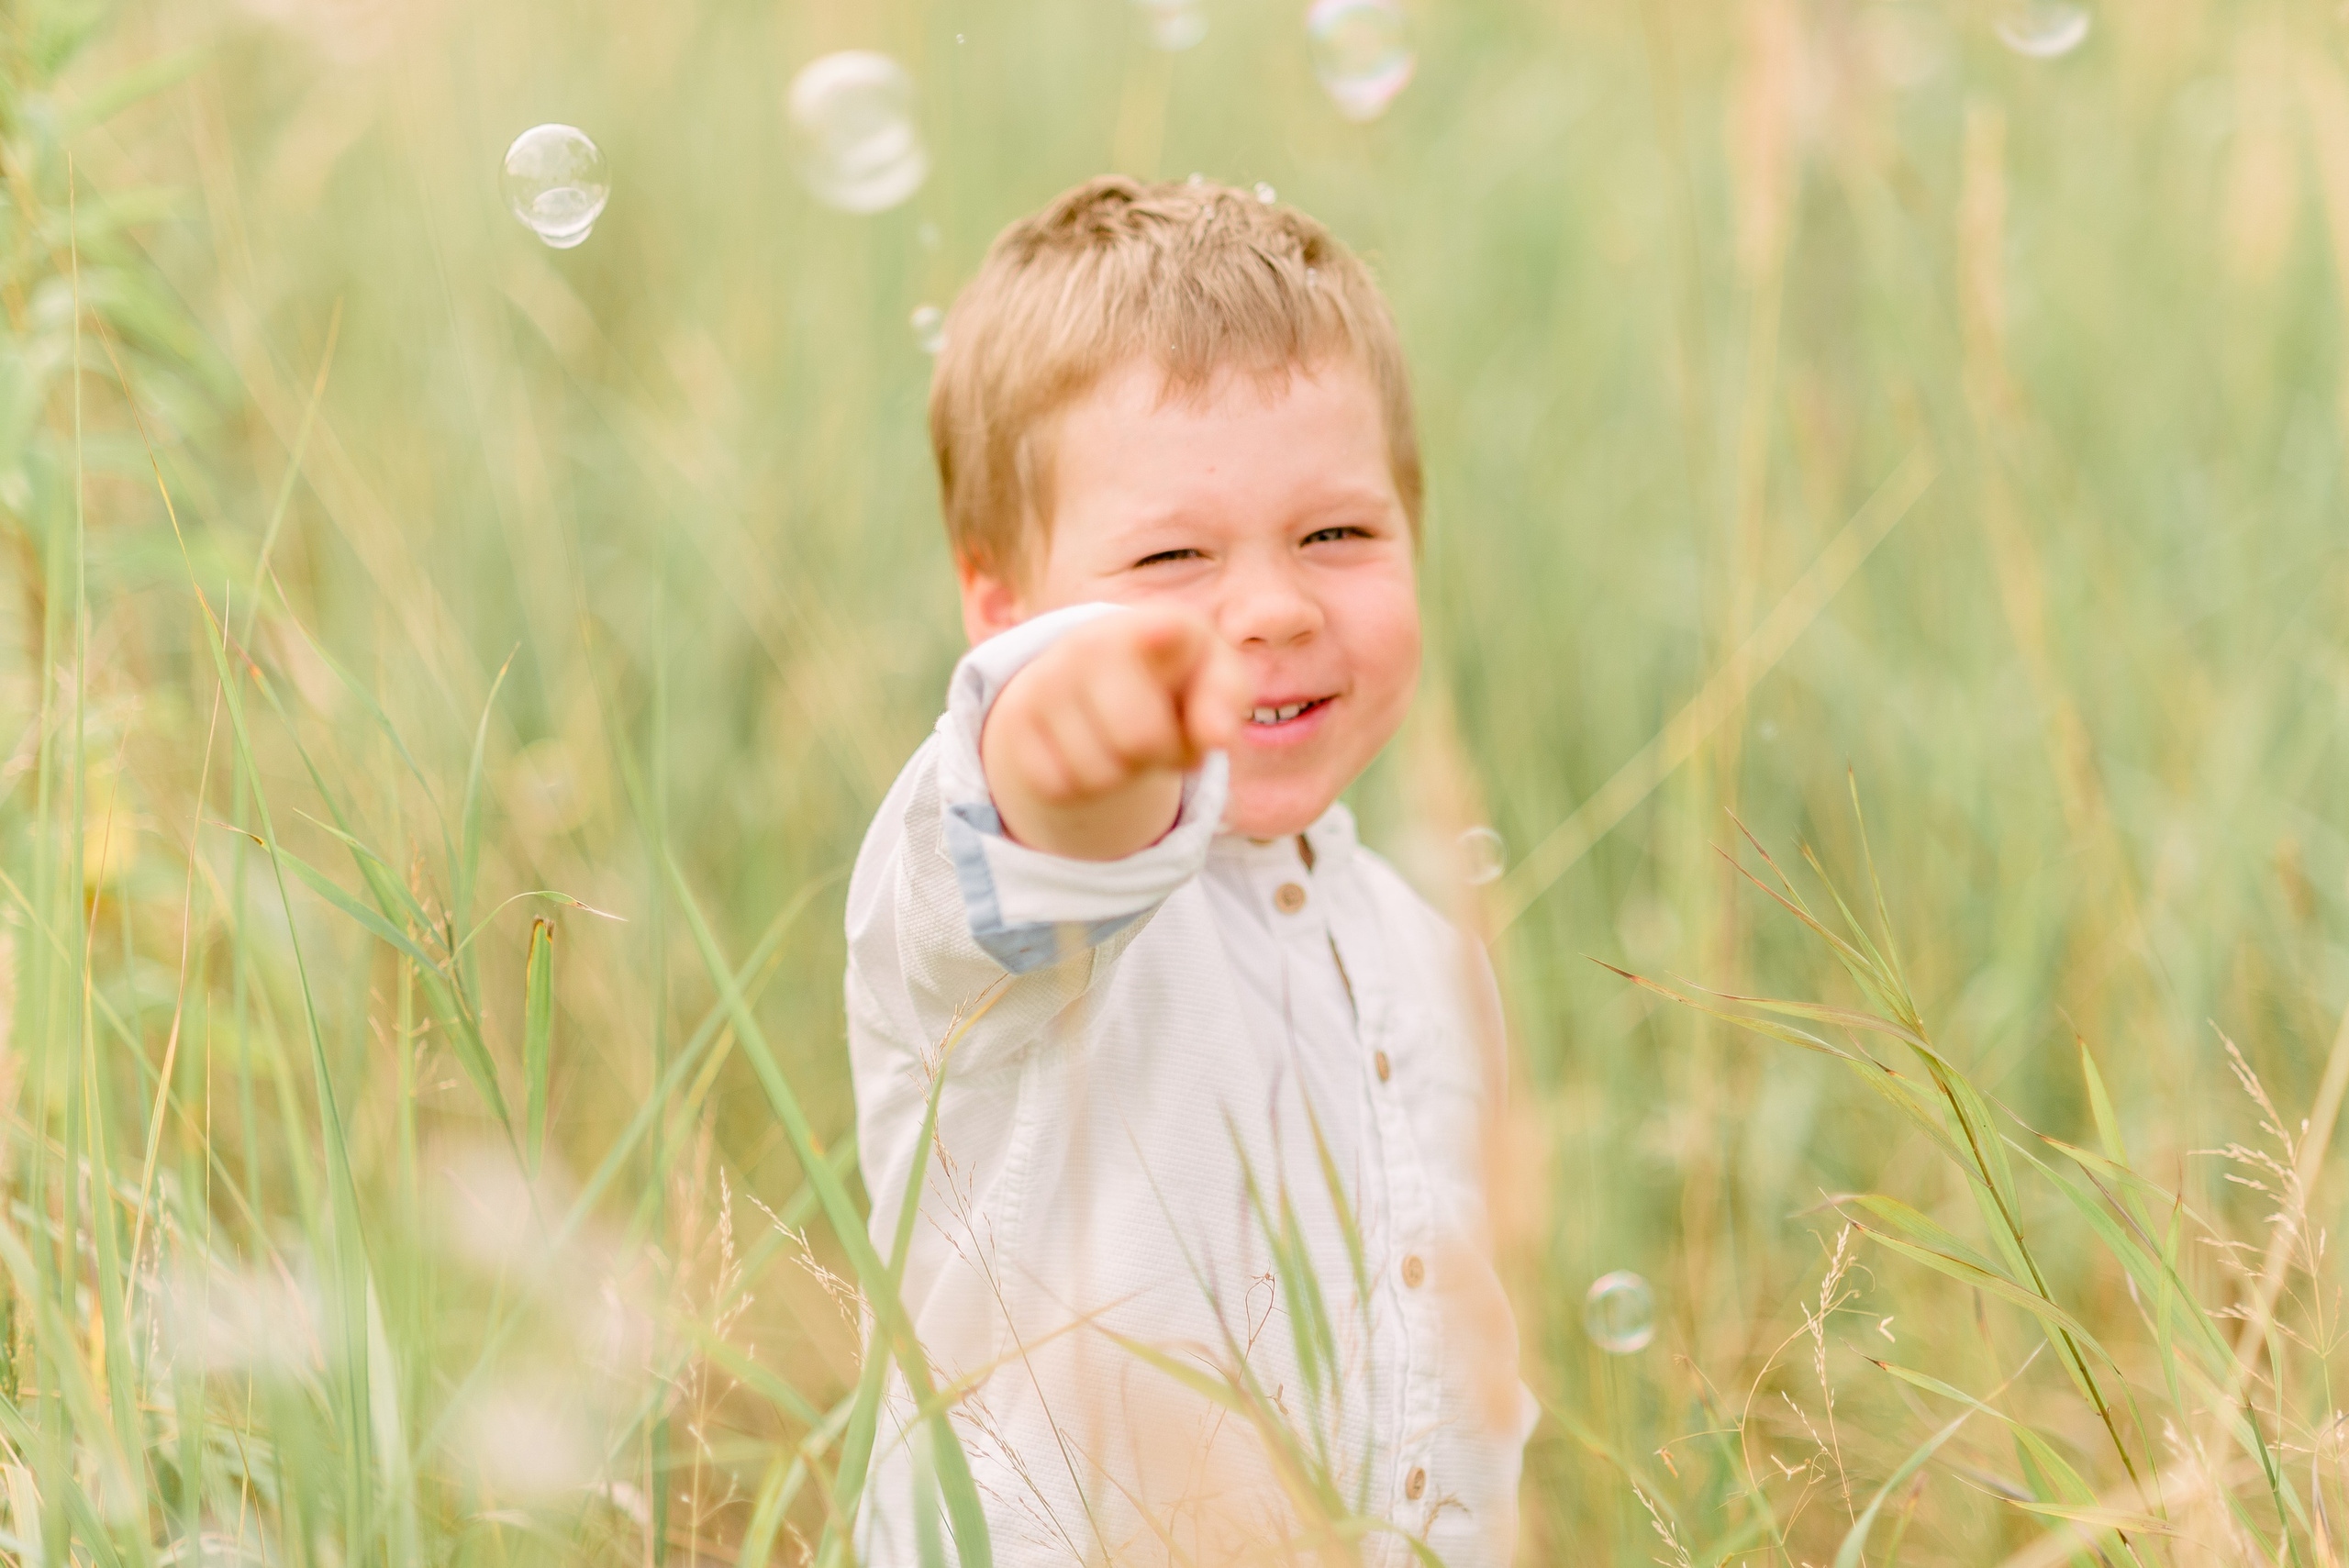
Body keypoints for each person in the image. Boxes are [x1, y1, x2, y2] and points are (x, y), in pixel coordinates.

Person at [846, 174, 1532, 1566]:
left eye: (1337, 533)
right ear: (1003, 606)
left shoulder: (1418, 946)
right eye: (1171, 556)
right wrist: (1083, 726)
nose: (1273, 607)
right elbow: (1042, 794)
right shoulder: (1019, 902)